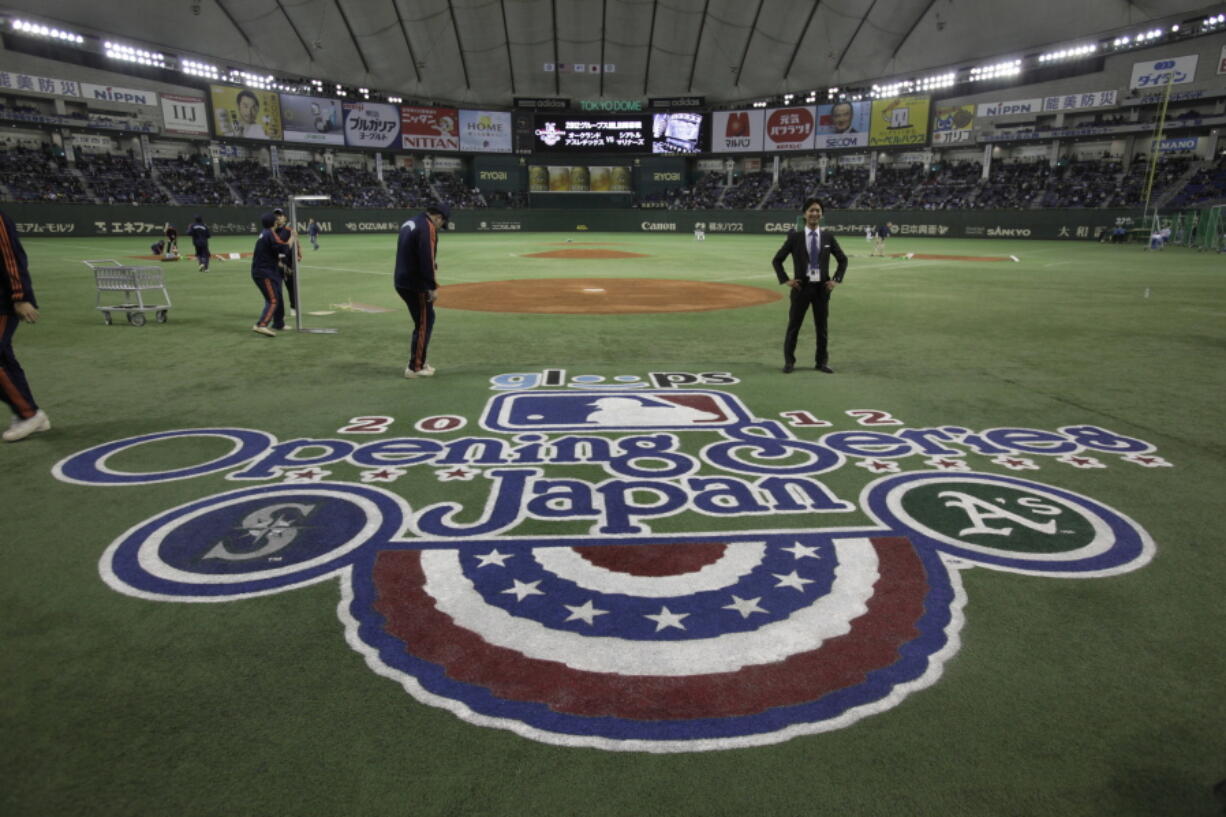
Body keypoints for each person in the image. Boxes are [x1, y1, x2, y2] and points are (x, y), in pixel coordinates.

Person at [772, 197, 848, 374]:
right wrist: (786, 280)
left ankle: (821, 362)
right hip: (801, 288)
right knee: (794, 326)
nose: (814, 213)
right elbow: (777, 260)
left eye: (818, 211)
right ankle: (789, 362)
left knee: (822, 328)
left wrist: (836, 279)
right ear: (805, 214)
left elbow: (842, 260)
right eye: (811, 210)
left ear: (821, 215)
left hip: (822, 289)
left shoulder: (828, 236)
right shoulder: (795, 237)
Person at [0, 209, 50, 442]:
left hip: (3, 301)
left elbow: (10, 255)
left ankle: (28, 414)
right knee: (5, 359)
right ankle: (26, 412)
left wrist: (20, 296)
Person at [394, 203, 450, 378]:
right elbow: (426, 257)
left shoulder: (411, 221)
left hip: (402, 280)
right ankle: (415, 367)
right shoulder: (428, 227)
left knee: (424, 321)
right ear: (438, 217)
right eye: (442, 223)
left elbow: (412, 252)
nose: (440, 226)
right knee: (424, 323)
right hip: (415, 283)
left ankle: (420, 360)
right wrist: (431, 286)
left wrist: (430, 264)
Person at [251, 212, 292, 337]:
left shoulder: (266, 233)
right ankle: (261, 325)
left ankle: (278, 323)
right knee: (273, 300)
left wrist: (280, 265)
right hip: (265, 273)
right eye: (276, 219)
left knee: (276, 297)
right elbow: (283, 248)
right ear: (274, 223)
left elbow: (269, 253)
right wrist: (293, 238)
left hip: (267, 270)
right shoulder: (270, 234)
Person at [271, 208, 302, 315]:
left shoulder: (289, 231)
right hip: (275, 266)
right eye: (276, 215)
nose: (277, 217)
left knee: (292, 289)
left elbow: (296, 246)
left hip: (288, 265)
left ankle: (294, 308)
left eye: (280, 215)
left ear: (284, 218)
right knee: (276, 290)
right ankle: (278, 312)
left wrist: (297, 259)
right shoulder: (271, 231)